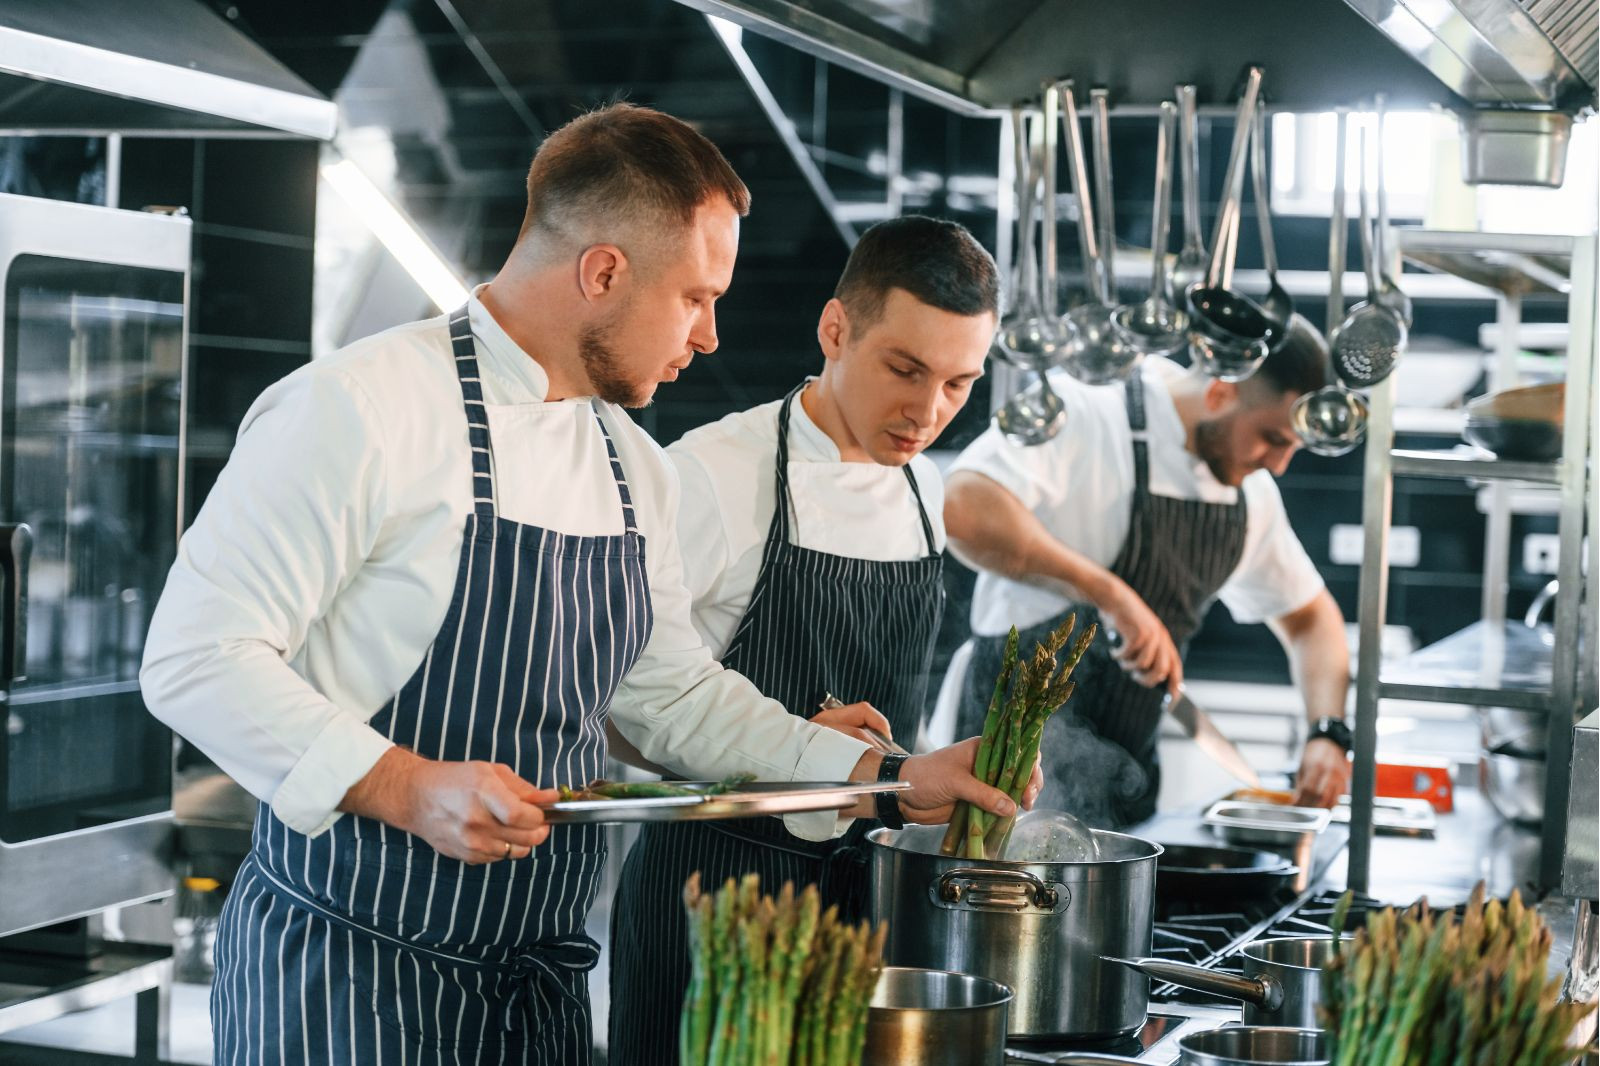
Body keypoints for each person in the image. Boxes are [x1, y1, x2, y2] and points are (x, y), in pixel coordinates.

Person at [139, 103, 1019, 1064]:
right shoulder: (358, 406)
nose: (711, 336)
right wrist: (405, 786)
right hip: (348, 976)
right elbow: (195, 658)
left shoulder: (631, 467)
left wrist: (892, 778)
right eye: (695, 298)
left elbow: (672, 699)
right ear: (603, 273)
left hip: (539, 987)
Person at [606, 215, 1025, 1062]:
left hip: (864, 908)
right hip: (715, 904)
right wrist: (809, 755)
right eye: (905, 370)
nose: (927, 411)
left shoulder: (923, 491)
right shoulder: (711, 476)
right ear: (835, 330)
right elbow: (618, 710)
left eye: (958, 384)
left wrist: (924, 775)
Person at [943, 316, 1353, 831]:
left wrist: (1327, 730)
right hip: (1001, 769)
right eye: (1272, 438)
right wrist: (1108, 594)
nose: (1280, 464)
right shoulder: (1089, 407)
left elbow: (1311, 619)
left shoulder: (1251, 496)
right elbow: (962, 506)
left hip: (1125, 790)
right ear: (1221, 392)